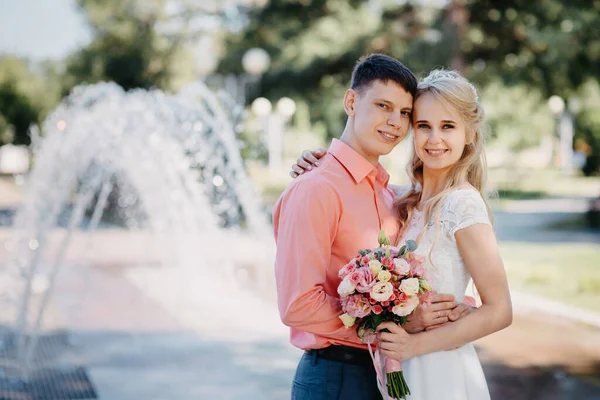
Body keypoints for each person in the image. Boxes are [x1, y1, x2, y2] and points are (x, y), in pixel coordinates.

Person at [290, 69, 513, 399]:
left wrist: (414, 343)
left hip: (438, 367)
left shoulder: (463, 204)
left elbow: (500, 310)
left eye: (448, 126)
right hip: (397, 367)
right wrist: (316, 163)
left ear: (469, 134)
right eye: (423, 126)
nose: (434, 139)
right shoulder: (405, 200)